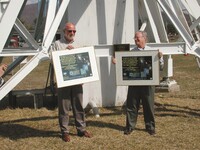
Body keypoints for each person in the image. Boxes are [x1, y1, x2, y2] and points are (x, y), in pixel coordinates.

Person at [49, 22, 91, 142]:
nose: (72, 33)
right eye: (69, 31)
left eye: (74, 31)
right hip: (64, 82)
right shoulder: (57, 44)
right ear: (64, 32)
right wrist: (64, 52)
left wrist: (84, 77)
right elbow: (52, 59)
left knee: (78, 105)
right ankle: (65, 131)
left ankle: (81, 129)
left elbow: (84, 61)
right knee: (64, 107)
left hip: (77, 81)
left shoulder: (80, 44)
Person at [122, 31, 164, 135]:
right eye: (134, 38)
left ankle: (150, 126)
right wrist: (117, 62)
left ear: (144, 38)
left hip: (148, 84)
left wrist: (160, 58)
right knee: (132, 105)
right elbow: (125, 68)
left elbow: (161, 67)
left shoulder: (153, 52)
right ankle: (130, 127)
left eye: (137, 38)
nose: (135, 40)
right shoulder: (131, 52)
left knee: (148, 105)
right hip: (134, 83)